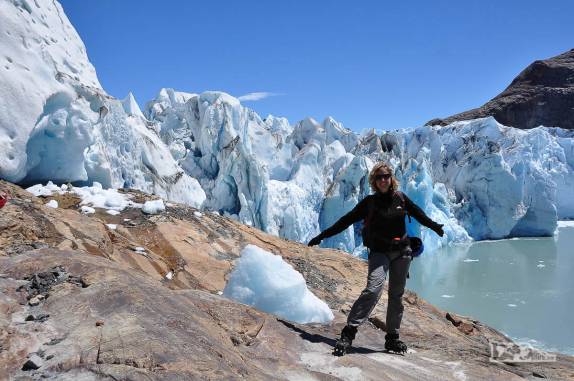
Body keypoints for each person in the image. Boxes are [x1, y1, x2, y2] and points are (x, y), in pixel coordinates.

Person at [308, 162, 444, 355]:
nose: (383, 180)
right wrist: (323, 235)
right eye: (379, 177)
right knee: (373, 289)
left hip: (402, 253)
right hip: (380, 252)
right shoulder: (369, 203)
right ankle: (348, 333)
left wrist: (435, 226)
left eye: (386, 176)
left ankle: (392, 338)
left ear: (391, 178)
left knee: (396, 296)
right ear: (374, 181)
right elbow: (345, 220)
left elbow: (418, 214)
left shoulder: (401, 198)